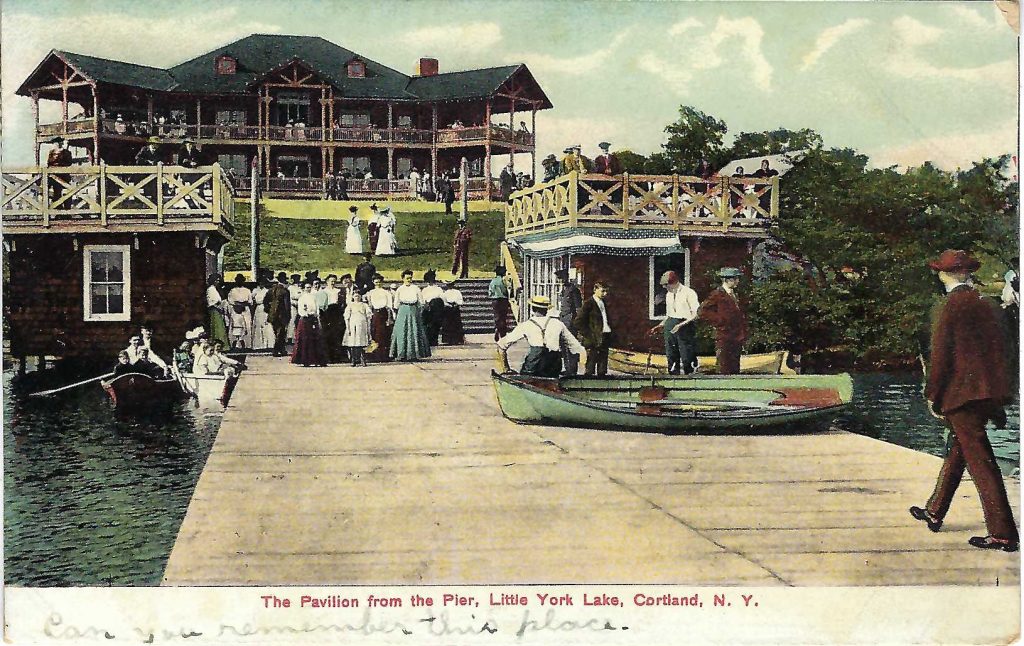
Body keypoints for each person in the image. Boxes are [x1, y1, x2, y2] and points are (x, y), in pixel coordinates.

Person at [910, 249, 1017, 552]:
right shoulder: (989, 304)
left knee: (980, 462)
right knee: (961, 449)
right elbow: (1006, 352)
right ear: (968, 274)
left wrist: (932, 394)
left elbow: (940, 357)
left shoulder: (948, 307)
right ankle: (935, 510)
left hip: (962, 394)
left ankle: (1002, 533)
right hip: (987, 394)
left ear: (944, 275)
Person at [497, 296, 585, 377]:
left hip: (533, 365)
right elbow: (576, 347)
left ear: (532, 309)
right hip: (553, 366)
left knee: (527, 376)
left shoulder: (526, 325)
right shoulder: (558, 324)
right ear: (546, 310)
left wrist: (506, 368)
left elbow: (501, 345)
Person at [699, 267, 748, 375]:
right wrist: (720, 320)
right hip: (723, 336)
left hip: (736, 336)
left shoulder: (735, 294)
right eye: (735, 279)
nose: (737, 281)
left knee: (735, 368)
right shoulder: (717, 294)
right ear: (726, 280)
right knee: (724, 367)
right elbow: (702, 311)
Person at [650, 271, 700, 375]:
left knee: (686, 354)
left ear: (674, 283)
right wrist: (660, 325)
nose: (665, 287)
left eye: (666, 285)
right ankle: (673, 375)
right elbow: (669, 314)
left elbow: (695, 314)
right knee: (671, 353)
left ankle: (689, 375)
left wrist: (681, 325)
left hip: (685, 325)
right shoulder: (669, 295)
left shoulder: (689, 293)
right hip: (671, 324)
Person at [389, 269, 431, 361]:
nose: (409, 280)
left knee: (414, 331)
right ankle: (401, 354)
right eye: (407, 278)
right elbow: (396, 304)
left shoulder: (416, 288)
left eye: (410, 278)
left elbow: (421, 302)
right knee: (402, 331)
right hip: (403, 310)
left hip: (413, 310)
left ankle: (414, 354)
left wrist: (419, 311)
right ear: (403, 279)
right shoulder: (400, 289)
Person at [575, 282, 614, 376]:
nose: (605, 294)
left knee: (602, 366)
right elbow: (578, 322)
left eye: (606, 292)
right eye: (603, 291)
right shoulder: (588, 304)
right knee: (590, 366)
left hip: (605, 335)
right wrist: (589, 335)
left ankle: (602, 383)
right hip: (592, 338)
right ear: (595, 290)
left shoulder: (604, 303)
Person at [291, 281, 328, 367]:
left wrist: (316, 314)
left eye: (309, 287)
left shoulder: (313, 297)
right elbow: (300, 310)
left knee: (316, 339)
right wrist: (305, 313)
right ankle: (305, 360)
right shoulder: (302, 298)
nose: (308, 289)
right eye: (306, 287)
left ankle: (317, 360)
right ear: (304, 288)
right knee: (305, 339)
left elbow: (317, 307)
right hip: (305, 319)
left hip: (313, 318)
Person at [555, 268, 583, 376]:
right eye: (559, 279)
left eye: (562, 278)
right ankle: (568, 368)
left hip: (570, 321)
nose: (561, 281)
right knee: (564, 345)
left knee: (571, 345)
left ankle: (572, 370)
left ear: (567, 277)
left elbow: (578, 308)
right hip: (563, 320)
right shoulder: (563, 289)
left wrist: (576, 322)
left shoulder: (573, 290)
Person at [366, 274, 394, 363]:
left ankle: (384, 356)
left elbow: (389, 306)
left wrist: (389, 318)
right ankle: (375, 355)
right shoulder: (370, 293)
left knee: (384, 334)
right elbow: (370, 306)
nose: (378, 283)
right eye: (376, 282)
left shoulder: (386, 292)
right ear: (373, 282)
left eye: (379, 282)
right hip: (375, 314)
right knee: (375, 334)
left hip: (384, 313)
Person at [264, 272, 291, 357]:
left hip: (272, 314)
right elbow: (287, 305)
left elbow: (265, 301)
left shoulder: (271, 289)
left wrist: (269, 309)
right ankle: (276, 350)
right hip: (282, 314)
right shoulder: (285, 291)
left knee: (277, 332)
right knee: (281, 332)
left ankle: (282, 349)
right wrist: (288, 315)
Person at [343, 291, 373, 367]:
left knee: (361, 342)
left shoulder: (364, 305)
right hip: (353, 325)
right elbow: (346, 317)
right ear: (353, 297)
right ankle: (354, 360)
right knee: (353, 342)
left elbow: (369, 315)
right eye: (355, 296)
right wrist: (348, 327)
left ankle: (362, 359)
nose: (357, 297)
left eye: (358, 296)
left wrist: (368, 326)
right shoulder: (350, 305)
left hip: (362, 325)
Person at [225, 274, 252, 349]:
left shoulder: (247, 290)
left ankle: (246, 345)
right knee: (235, 326)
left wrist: (243, 305)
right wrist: (237, 305)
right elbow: (230, 301)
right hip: (235, 310)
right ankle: (235, 344)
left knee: (247, 325)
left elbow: (250, 301)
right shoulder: (233, 290)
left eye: (241, 280)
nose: (240, 282)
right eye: (238, 280)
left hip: (245, 310)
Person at [321, 274, 344, 363]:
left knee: (336, 334)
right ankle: (328, 356)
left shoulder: (338, 291)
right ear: (327, 282)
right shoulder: (324, 291)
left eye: (334, 281)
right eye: (331, 281)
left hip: (336, 312)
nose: (333, 283)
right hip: (327, 313)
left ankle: (337, 356)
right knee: (327, 334)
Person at [249, 272, 275, 350]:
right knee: (258, 325)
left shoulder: (267, 291)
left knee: (267, 325)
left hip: (265, 308)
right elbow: (251, 301)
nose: (261, 284)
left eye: (263, 282)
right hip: (258, 308)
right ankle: (258, 345)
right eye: (260, 282)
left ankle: (268, 344)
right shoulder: (255, 290)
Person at [421, 269, 446, 346]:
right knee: (428, 325)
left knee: (436, 325)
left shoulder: (438, 289)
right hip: (428, 309)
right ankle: (428, 340)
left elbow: (443, 300)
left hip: (436, 309)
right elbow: (422, 300)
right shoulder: (425, 290)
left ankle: (434, 340)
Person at [46, 137, 74, 206]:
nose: (57, 144)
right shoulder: (51, 153)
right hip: (54, 176)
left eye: (59, 142)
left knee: (67, 193)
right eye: (55, 142)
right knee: (56, 193)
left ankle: (67, 211)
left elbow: (69, 162)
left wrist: (60, 164)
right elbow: (49, 163)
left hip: (64, 175)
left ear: (61, 143)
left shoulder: (66, 152)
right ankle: (58, 211)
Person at [206, 273, 230, 348]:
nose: (218, 282)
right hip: (214, 310)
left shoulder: (214, 289)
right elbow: (213, 301)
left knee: (220, 327)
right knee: (217, 328)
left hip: (217, 310)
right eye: (217, 280)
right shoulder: (211, 289)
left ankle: (221, 345)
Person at [489, 265, 513, 341]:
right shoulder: (504, 280)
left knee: (497, 316)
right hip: (503, 299)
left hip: (495, 300)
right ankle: (502, 333)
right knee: (503, 317)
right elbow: (507, 289)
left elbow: (490, 292)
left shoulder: (493, 281)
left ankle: (497, 328)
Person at [441, 281, 466, 345]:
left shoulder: (457, 292)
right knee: (448, 324)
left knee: (456, 324)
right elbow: (443, 301)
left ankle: (457, 339)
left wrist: (456, 304)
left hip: (455, 308)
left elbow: (460, 300)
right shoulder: (445, 293)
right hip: (448, 309)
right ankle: (448, 339)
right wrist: (449, 305)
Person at [287, 273, 303, 342]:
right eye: (296, 279)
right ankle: (290, 337)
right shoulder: (290, 288)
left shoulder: (300, 287)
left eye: (298, 279)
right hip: (293, 306)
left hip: (300, 306)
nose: (297, 280)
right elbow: (290, 298)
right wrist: (296, 302)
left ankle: (298, 336)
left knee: (299, 321)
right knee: (292, 320)